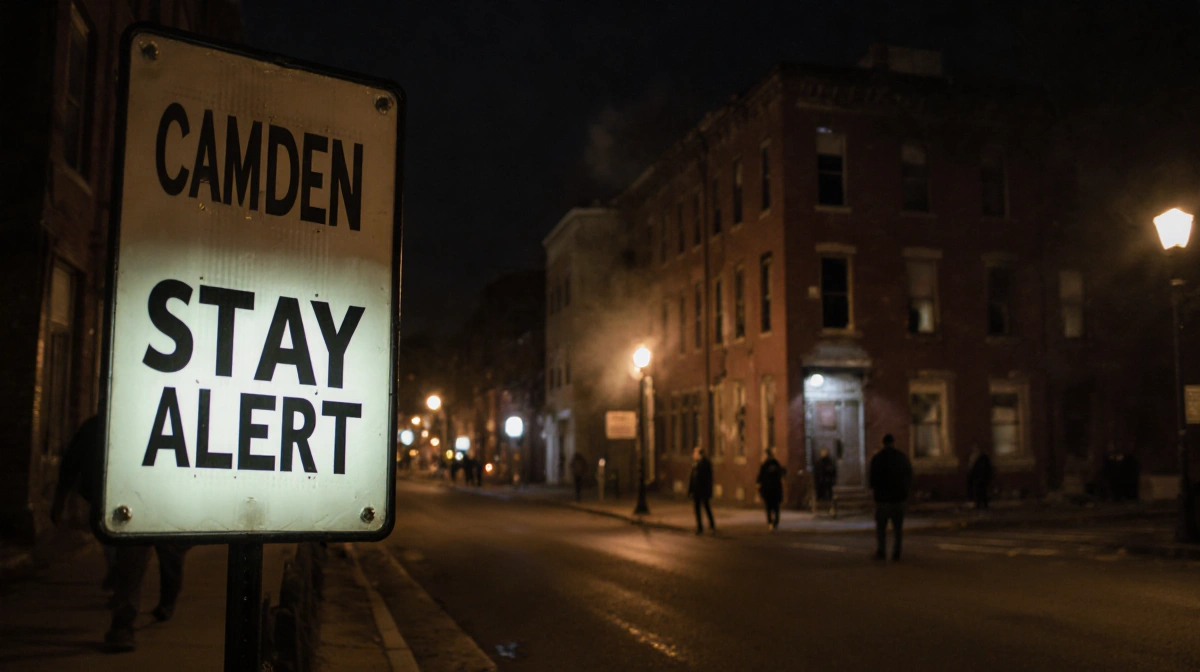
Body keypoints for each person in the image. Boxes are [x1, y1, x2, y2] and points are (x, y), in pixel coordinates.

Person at [51, 415, 190, 652]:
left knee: (160, 557)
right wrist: (60, 499)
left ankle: (144, 610)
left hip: (150, 504)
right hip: (113, 504)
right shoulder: (100, 424)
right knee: (130, 561)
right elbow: (72, 460)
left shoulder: (154, 421)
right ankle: (123, 619)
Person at [869, 434, 912, 561]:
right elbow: (909, 476)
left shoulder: (877, 458)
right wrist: (905, 493)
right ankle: (896, 552)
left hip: (882, 499)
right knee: (898, 529)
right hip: (898, 499)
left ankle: (882, 551)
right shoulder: (902, 457)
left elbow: (872, 480)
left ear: (883, 443)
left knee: (881, 528)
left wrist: (876, 494)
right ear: (893, 443)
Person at [688, 447, 716, 534]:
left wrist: (708, 490)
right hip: (696, 491)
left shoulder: (705, 463)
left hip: (703, 490)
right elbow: (692, 478)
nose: (693, 455)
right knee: (697, 509)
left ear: (699, 454)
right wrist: (690, 490)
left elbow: (707, 479)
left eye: (695, 453)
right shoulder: (695, 464)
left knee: (706, 507)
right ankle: (699, 527)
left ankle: (712, 525)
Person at [756, 448, 785, 530]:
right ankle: (775, 522)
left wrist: (759, 485)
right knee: (776, 508)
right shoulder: (776, 463)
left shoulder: (765, 465)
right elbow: (782, 472)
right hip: (775, 490)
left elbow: (760, 477)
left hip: (768, 490)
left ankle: (770, 522)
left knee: (769, 507)